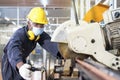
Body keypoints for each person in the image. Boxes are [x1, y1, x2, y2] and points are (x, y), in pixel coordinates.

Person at [1, 7, 62, 80]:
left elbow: (49, 43)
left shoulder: (38, 35)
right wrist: (20, 66)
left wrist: (63, 54)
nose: (39, 27)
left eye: (42, 25)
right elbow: (13, 50)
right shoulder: (20, 35)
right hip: (11, 62)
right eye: (36, 24)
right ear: (29, 23)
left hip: (22, 60)